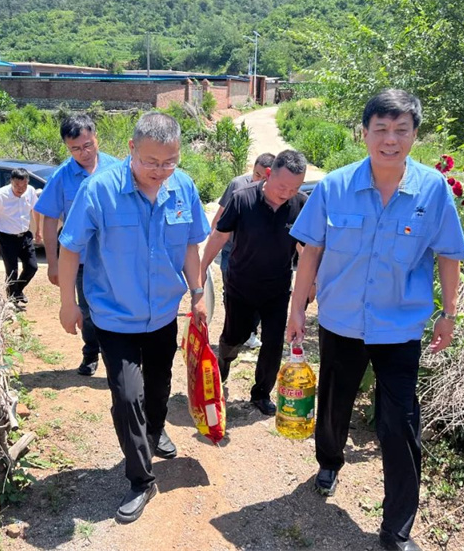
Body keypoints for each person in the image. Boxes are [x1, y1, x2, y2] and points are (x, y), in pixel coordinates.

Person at [287, 89, 464, 551]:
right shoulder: (334, 187)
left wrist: (449, 314)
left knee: (400, 423)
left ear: (414, 135)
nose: (391, 139)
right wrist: (297, 309)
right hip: (342, 322)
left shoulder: (433, 190)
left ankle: (396, 529)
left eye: (401, 130)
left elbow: (449, 255)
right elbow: (311, 251)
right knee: (334, 404)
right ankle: (329, 461)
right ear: (364, 133)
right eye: (381, 129)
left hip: (399, 327)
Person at [58, 112, 210, 523]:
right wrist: (67, 302)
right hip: (114, 317)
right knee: (128, 398)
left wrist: (198, 293)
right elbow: (70, 248)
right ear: (131, 149)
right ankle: (141, 479)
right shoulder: (99, 190)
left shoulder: (183, 187)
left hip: (163, 314)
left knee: (159, 390)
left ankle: (154, 432)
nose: (160, 171)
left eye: (169, 162)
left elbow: (191, 247)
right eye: (150, 162)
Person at [200, 150, 308, 415]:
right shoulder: (242, 199)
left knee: (273, 343)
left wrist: (312, 282)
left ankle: (261, 393)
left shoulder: (300, 204)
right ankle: (224, 360)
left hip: (277, 289)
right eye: (282, 186)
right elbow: (219, 236)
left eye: (294, 188)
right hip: (240, 286)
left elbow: (305, 248)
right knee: (234, 337)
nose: (287, 193)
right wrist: (201, 270)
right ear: (269, 174)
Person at [35, 113, 121, 376]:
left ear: (96, 138)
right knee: (87, 311)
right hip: (81, 261)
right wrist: (53, 264)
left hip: (116, 258)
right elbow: (50, 220)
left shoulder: (118, 169)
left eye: (88, 145)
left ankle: (119, 357)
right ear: (66, 147)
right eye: (75, 149)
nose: (84, 153)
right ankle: (91, 353)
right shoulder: (62, 176)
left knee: (119, 307)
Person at [211, 152, 275, 349]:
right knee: (230, 291)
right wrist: (212, 243)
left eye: (264, 177)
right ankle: (233, 328)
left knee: (256, 292)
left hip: (258, 254)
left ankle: (250, 331)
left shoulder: (274, 194)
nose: (258, 180)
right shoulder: (237, 185)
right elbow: (220, 216)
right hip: (231, 249)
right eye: (256, 174)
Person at [0, 168, 43, 306]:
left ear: (27, 182)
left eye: (24, 185)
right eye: (17, 185)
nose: (20, 189)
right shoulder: (0, 195)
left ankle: (17, 291)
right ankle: (12, 297)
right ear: (11, 181)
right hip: (7, 237)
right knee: (12, 270)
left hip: (25, 235)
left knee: (32, 267)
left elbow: (35, 209)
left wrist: (38, 230)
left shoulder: (30, 191)